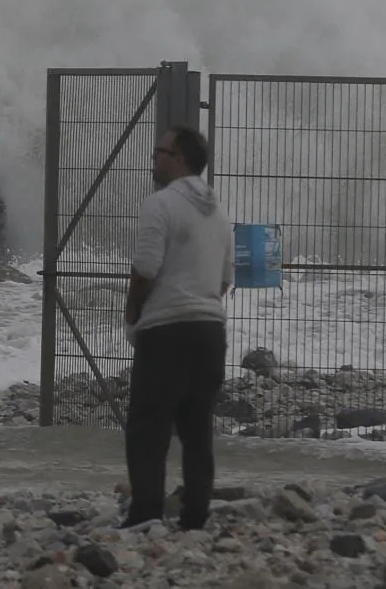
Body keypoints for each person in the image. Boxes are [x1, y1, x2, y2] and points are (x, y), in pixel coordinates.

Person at [120, 123, 234, 531]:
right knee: (196, 429)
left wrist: (133, 307)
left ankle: (145, 514)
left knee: (148, 428)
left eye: (159, 153)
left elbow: (146, 267)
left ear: (180, 159)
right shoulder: (219, 213)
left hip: (166, 329)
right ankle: (195, 516)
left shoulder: (160, 204)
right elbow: (224, 280)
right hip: (209, 331)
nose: (153, 160)